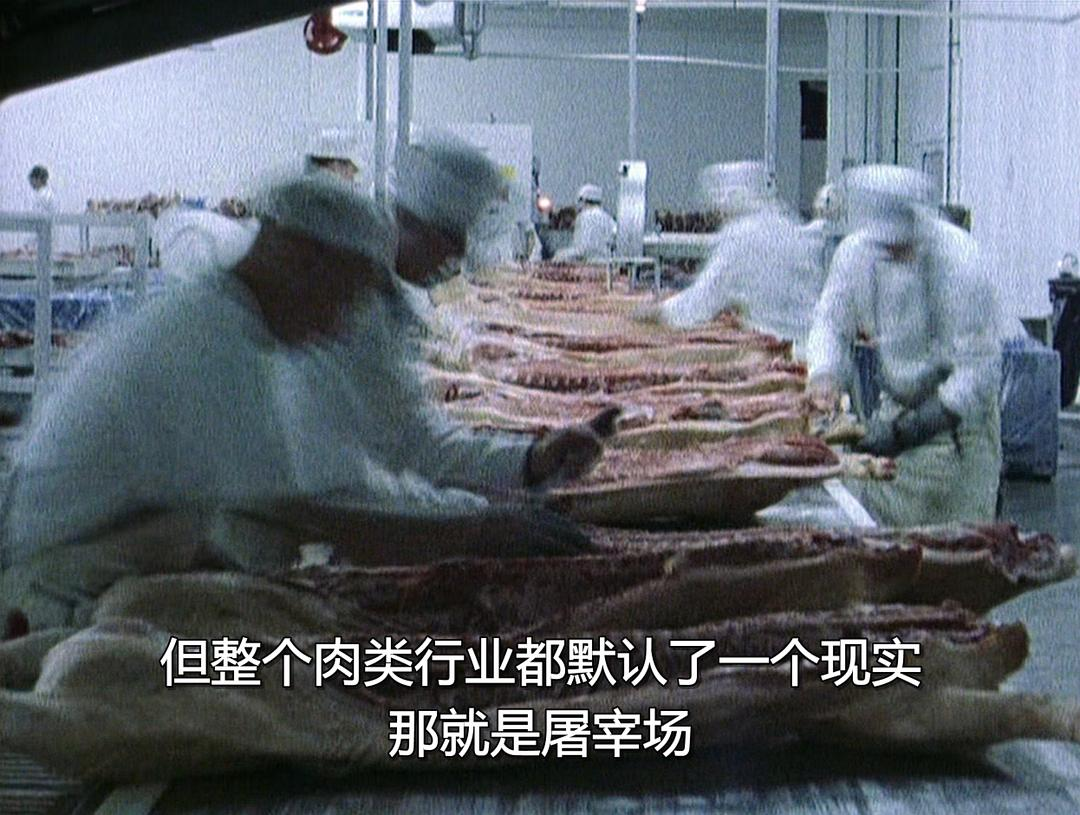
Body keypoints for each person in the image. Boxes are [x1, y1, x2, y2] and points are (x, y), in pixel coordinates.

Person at [0, 173, 592, 633]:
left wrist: (486, 499)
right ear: (301, 260)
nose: (342, 323)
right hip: (63, 597)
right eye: (345, 296)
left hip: (119, 574)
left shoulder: (245, 330)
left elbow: (337, 477)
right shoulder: (205, 337)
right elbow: (308, 507)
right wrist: (473, 529)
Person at [276, 136, 618, 510]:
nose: (458, 253)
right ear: (410, 222)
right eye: (450, 236)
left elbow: (414, 440)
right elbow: (338, 481)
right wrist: (466, 521)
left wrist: (532, 460)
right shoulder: (345, 304)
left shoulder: (391, 302)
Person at [806, 164, 1004, 527]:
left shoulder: (959, 260)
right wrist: (824, 375)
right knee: (881, 541)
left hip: (957, 435)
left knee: (956, 545)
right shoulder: (856, 254)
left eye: (903, 245)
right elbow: (831, 323)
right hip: (895, 410)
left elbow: (979, 371)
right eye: (887, 247)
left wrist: (909, 431)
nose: (896, 252)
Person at [634, 161, 828, 355]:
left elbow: (700, 301)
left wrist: (655, 313)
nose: (718, 213)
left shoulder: (741, 235)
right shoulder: (788, 225)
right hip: (817, 345)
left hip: (778, 347)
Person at [553, 183, 617, 263]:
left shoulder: (584, 217)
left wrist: (561, 255)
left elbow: (583, 250)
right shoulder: (609, 219)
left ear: (583, 200)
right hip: (608, 264)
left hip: (592, 264)